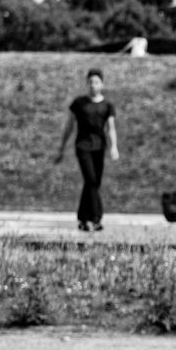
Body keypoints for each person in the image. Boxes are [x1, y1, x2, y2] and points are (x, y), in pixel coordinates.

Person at [54, 68, 120, 232]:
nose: (93, 85)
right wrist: (61, 147)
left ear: (102, 84)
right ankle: (96, 218)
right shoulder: (79, 104)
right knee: (90, 179)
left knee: (94, 183)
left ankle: (83, 218)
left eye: (96, 82)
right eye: (90, 82)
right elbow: (69, 126)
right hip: (83, 146)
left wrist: (114, 147)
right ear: (87, 84)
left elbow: (111, 128)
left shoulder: (107, 105)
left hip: (99, 147)